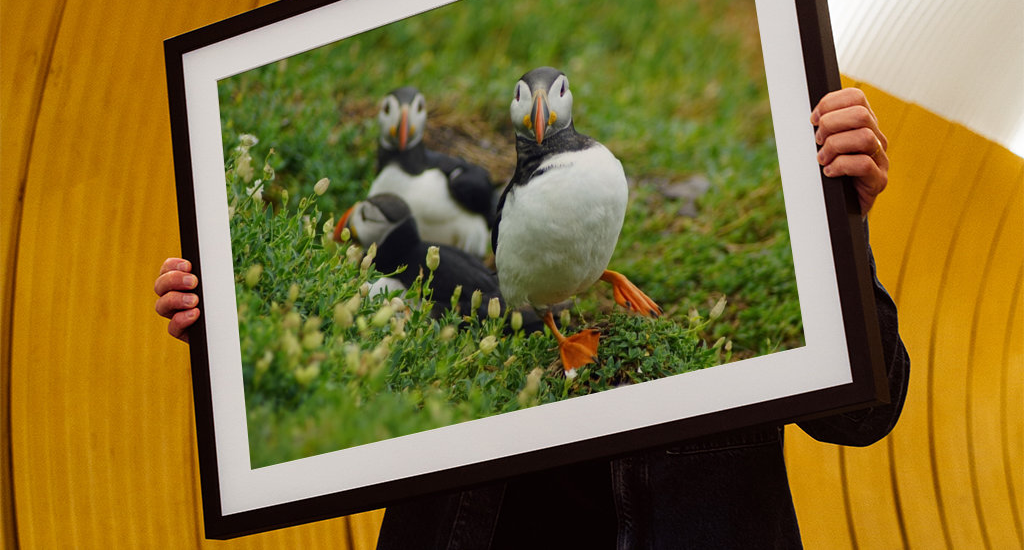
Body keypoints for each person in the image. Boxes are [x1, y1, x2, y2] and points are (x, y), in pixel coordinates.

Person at [154, 88, 908, 548]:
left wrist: (842, 226)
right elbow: (354, 372)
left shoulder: (795, 203)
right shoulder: (450, 284)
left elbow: (865, 415)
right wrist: (234, 322)